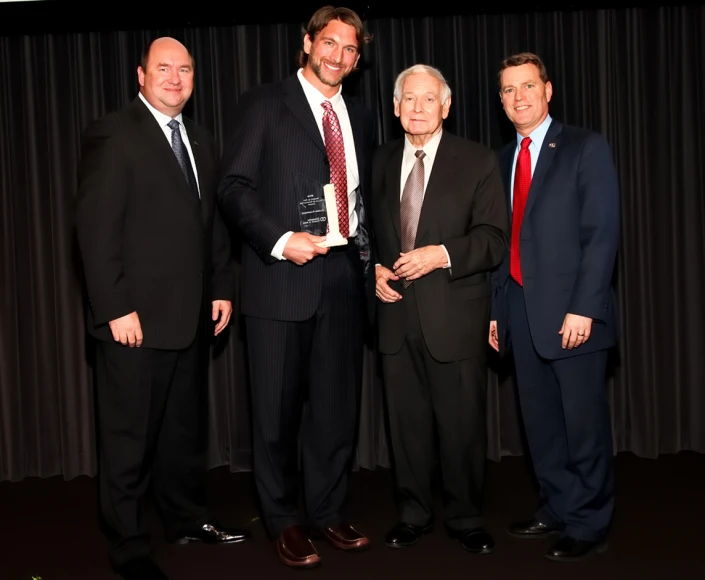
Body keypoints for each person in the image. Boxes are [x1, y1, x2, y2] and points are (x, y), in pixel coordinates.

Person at [75, 37, 250, 580]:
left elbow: (212, 225)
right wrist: (115, 308)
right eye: (164, 68)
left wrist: (221, 286)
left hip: (191, 318)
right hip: (134, 324)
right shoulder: (114, 133)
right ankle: (127, 543)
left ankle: (187, 518)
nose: (175, 78)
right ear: (141, 75)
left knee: (182, 434)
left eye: (185, 69)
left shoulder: (200, 137)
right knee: (128, 441)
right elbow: (93, 229)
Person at [216, 6, 375, 570]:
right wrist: (281, 239)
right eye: (329, 43)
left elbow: (362, 201)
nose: (338, 56)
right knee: (276, 415)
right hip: (280, 278)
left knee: (335, 411)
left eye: (350, 49)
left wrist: (370, 259)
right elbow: (232, 187)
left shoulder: (358, 113)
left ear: (358, 59)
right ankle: (284, 521)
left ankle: (329, 512)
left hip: (342, 279)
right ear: (307, 43)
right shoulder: (265, 103)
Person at [371, 64, 508, 555]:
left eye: (429, 99)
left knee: (461, 426)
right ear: (395, 107)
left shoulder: (477, 161)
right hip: (394, 317)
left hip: (455, 315)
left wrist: (441, 255)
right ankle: (412, 513)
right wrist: (375, 270)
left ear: (446, 106)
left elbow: (494, 240)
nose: (418, 108)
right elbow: (370, 236)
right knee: (405, 428)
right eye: (409, 99)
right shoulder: (381, 161)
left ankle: (467, 516)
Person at [489, 51, 620, 562]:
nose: (518, 97)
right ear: (500, 100)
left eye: (527, 86)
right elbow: (502, 243)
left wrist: (585, 307)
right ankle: (557, 507)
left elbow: (601, 234)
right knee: (540, 423)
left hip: (573, 313)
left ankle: (589, 522)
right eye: (507, 90)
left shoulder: (586, 147)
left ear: (547, 90)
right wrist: (497, 312)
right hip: (519, 310)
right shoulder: (501, 160)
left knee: (582, 424)